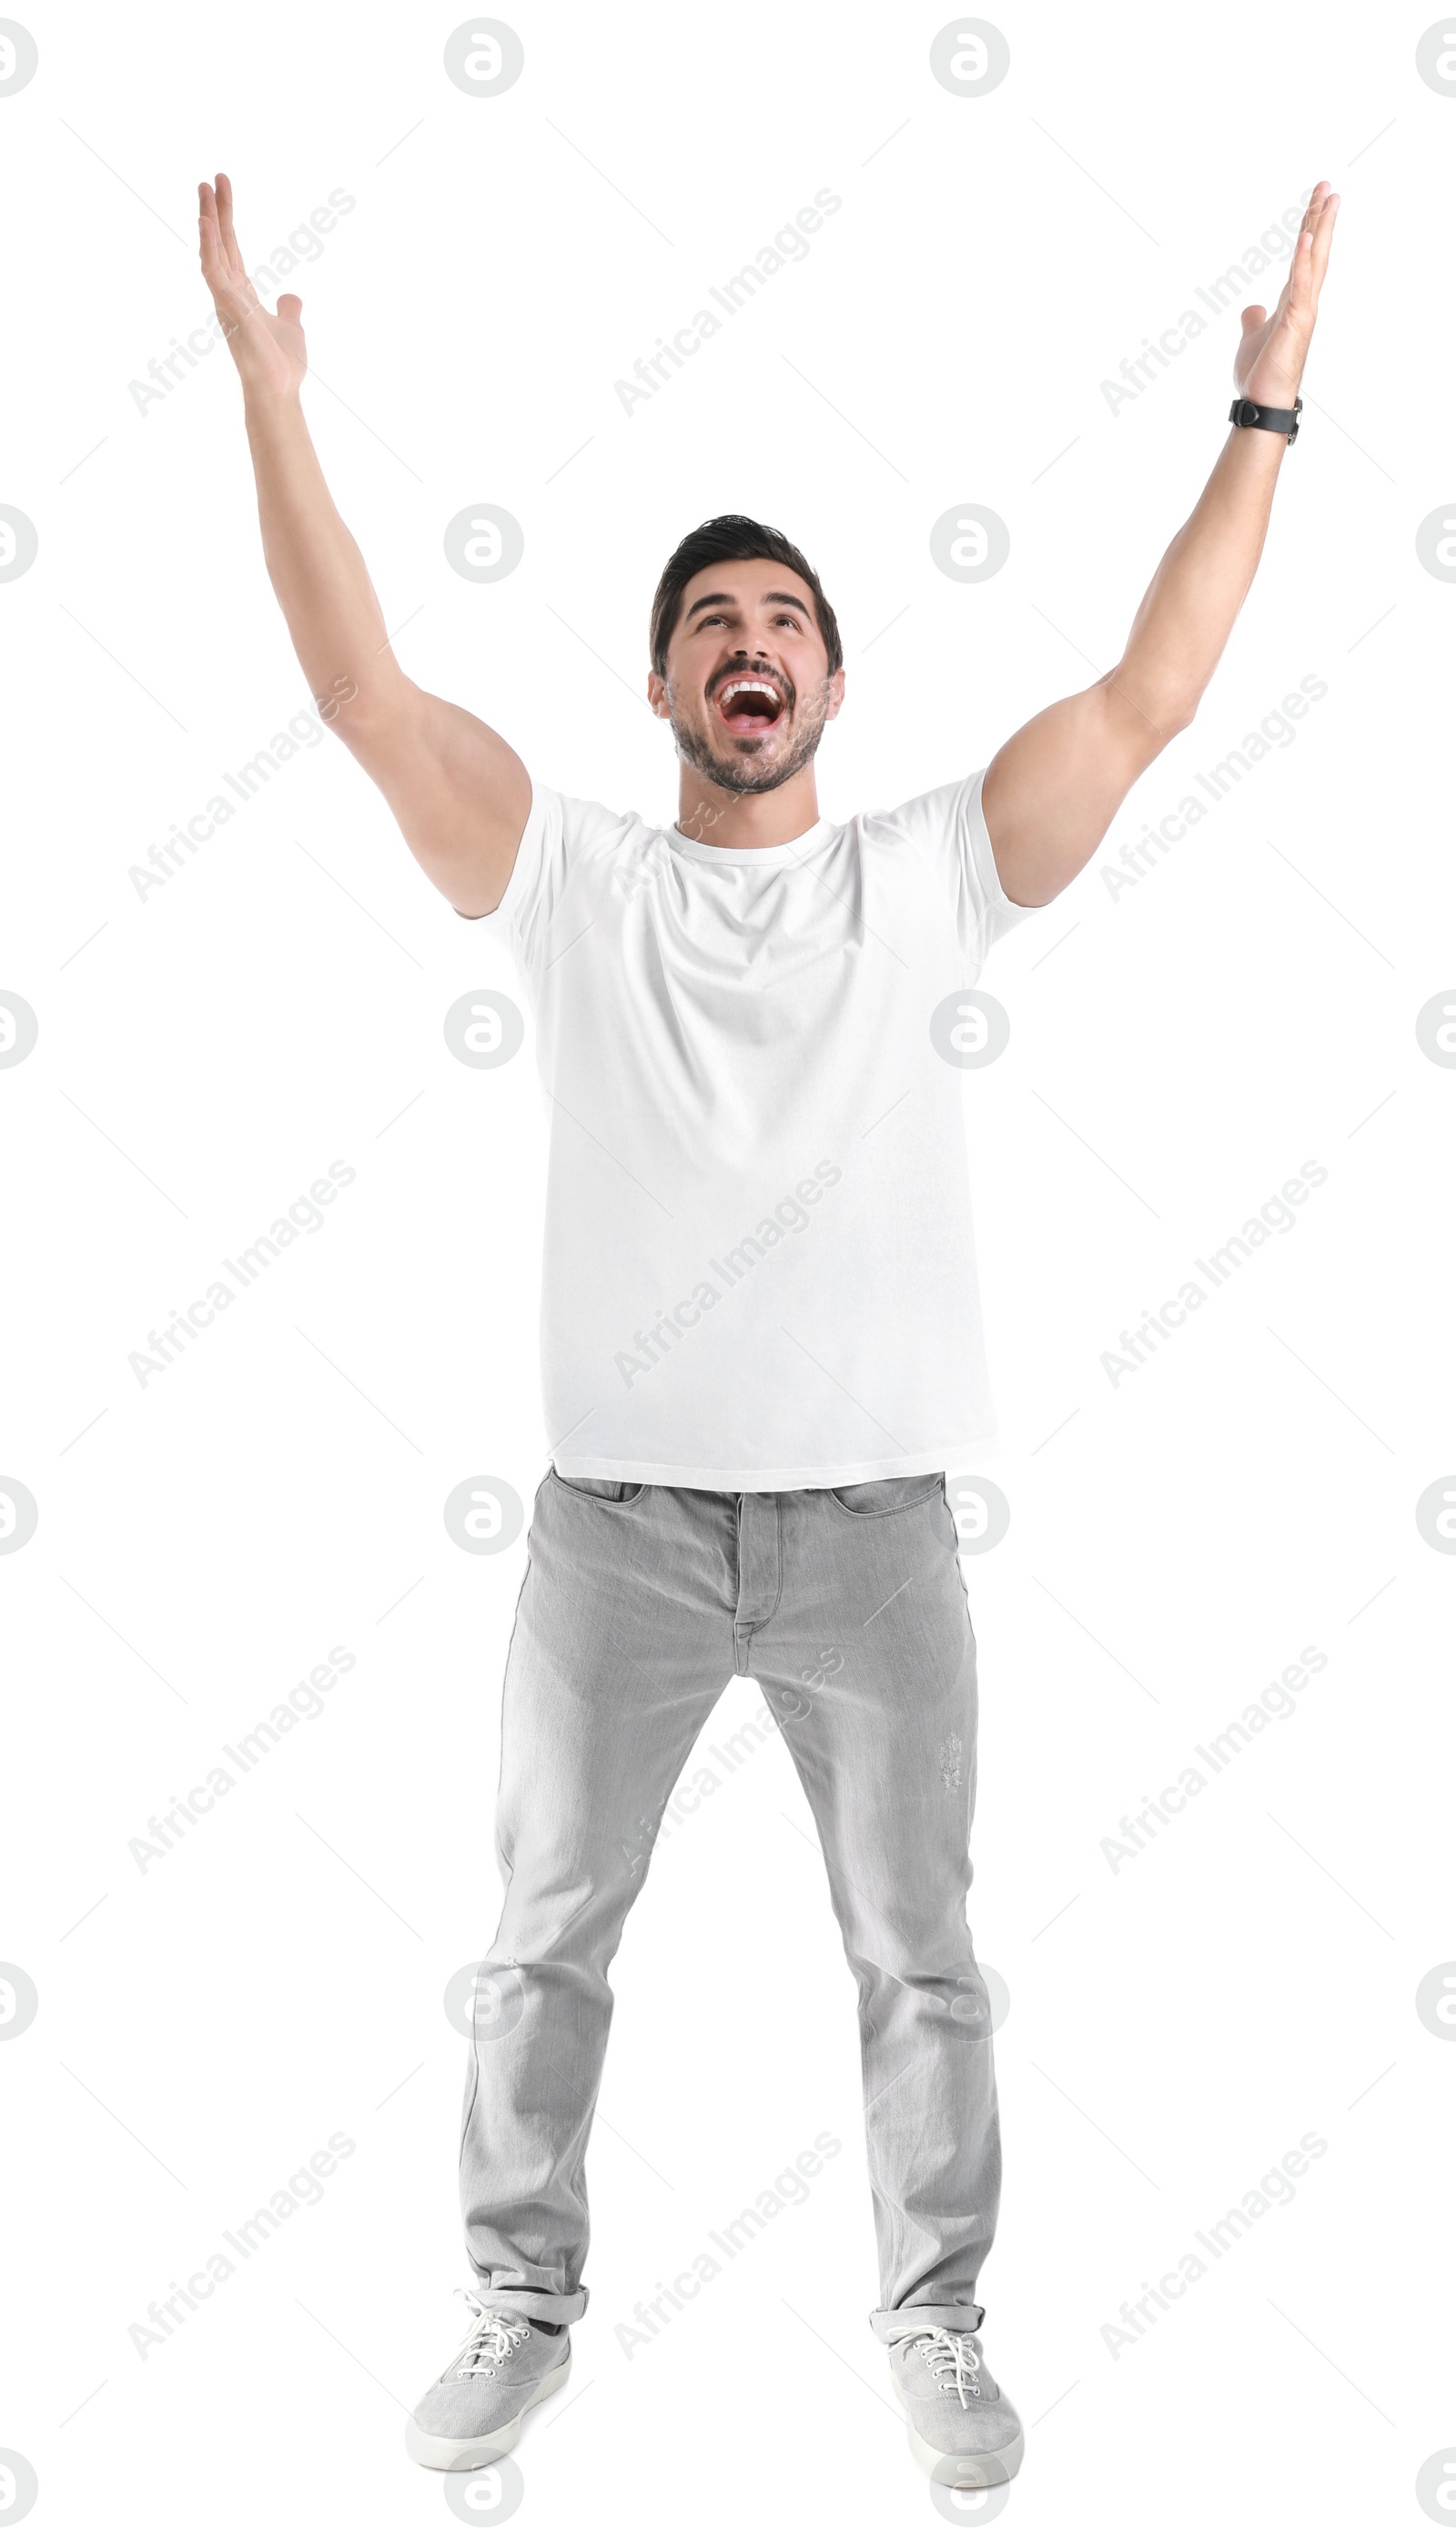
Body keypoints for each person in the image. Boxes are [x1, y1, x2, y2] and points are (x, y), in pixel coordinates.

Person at [198, 167, 1338, 2491]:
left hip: (874, 1542)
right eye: (711, 616)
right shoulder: (571, 878)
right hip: (608, 1541)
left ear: (826, 674)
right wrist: (264, 393)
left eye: (785, 615)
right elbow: (351, 687)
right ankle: (517, 2304)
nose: (750, 641)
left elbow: (1149, 689)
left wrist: (1265, 405)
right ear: (659, 682)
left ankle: (935, 2325)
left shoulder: (922, 874)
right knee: (540, 1939)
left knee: (918, 1951)